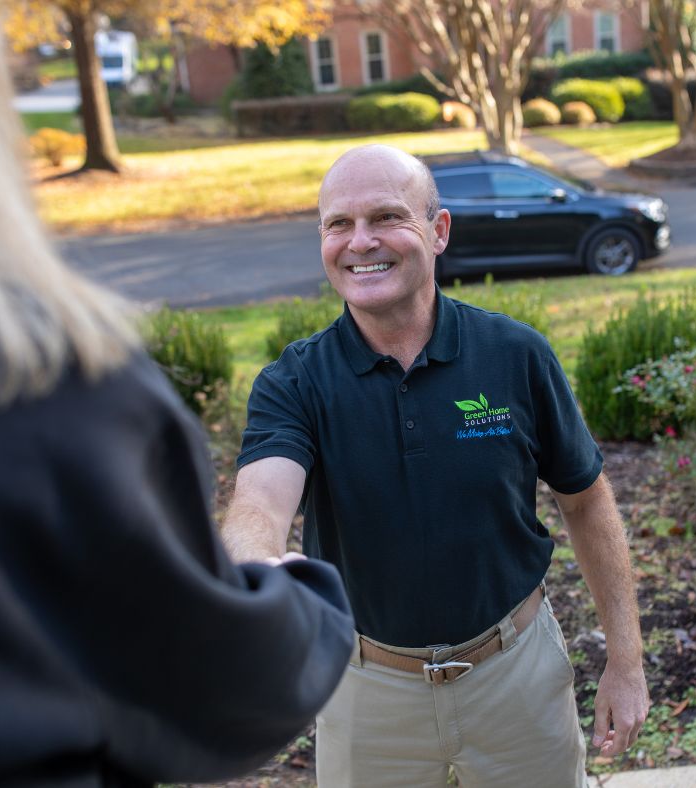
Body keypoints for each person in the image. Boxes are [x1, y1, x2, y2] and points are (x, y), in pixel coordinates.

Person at [0, 1, 353, 785]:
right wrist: (297, 595)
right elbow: (217, 685)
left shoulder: (507, 351)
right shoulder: (28, 384)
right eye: (337, 222)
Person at [222, 144, 651, 786]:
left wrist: (626, 659)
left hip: (517, 676)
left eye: (386, 217)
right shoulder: (296, 382)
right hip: (366, 691)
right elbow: (259, 501)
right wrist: (256, 562)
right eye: (339, 224)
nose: (360, 242)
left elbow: (586, 500)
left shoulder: (515, 355)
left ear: (438, 230)